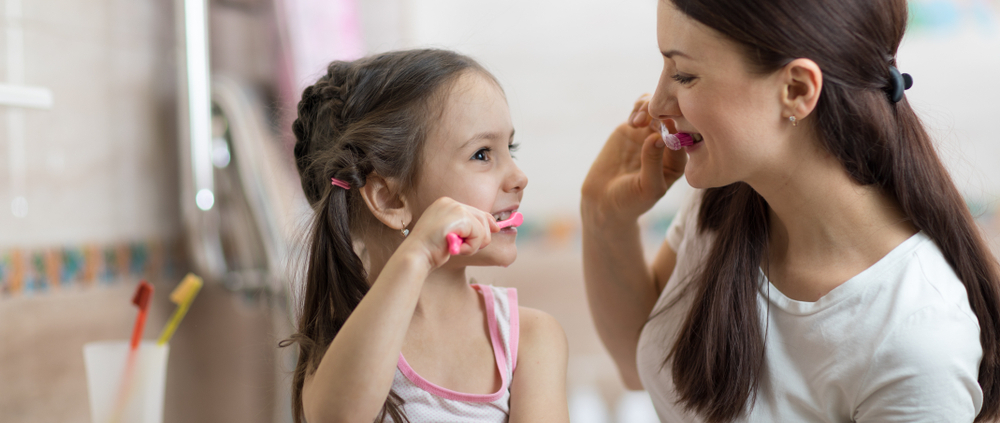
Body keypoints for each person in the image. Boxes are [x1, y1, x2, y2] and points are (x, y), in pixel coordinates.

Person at [581, 0, 1000, 421]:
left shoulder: (917, 342)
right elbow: (640, 362)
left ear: (797, 90)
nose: (656, 105)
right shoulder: (725, 198)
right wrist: (605, 217)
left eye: (683, 75)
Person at [282, 49, 569, 423]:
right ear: (390, 198)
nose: (519, 177)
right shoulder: (349, 339)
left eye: (509, 149)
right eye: (483, 154)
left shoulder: (530, 339)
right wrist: (416, 256)